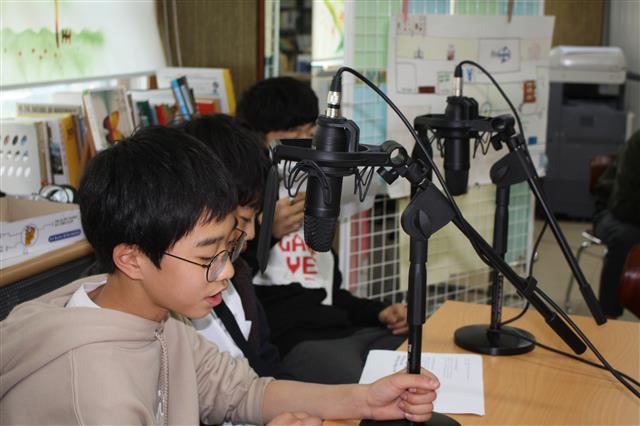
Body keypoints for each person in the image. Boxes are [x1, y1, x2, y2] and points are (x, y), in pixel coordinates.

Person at [0, 126, 440, 425]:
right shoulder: (94, 394)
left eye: (229, 247)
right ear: (131, 260)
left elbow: (241, 392)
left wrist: (367, 399)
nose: (227, 270)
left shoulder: (156, 318)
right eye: (209, 254)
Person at [237, 77, 409, 384]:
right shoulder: (244, 210)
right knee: (373, 390)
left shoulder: (313, 202)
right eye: (293, 135)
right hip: (297, 344)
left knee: (418, 363)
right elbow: (234, 290)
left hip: (349, 332)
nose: (307, 144)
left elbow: (331, 295)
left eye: (310, 133)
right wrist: (267, 233)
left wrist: (380, 312)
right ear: (259, 139)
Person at [178, 114, 286, 378]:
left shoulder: (237, 274)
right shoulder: (175, 295)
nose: (250, 234)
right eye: (243, 219)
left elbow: (264, 361)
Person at [593, 130, 640, 318]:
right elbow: (626, 205)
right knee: (626, 238)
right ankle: (608, 315)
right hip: (615, 211)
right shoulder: (638, 145)